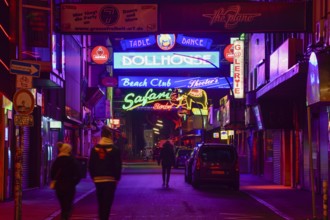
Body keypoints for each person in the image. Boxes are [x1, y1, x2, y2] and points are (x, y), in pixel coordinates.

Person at [89, 125, 122, 220]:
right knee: (107, 202)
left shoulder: (94, 149)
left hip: (98, 180)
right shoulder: (115, 149)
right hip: (110, 179)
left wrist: (93, 176)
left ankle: (101, 218)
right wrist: (117, 178)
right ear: (109, 136)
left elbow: (91, 165)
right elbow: (117, 165)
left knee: (100, 202)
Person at [50, 142, 82, 220]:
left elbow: (52, 173)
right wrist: (74, 183)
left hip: (59, 187)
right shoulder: (72, 160)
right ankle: (65, 217)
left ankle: (64, 216)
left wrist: (56, 182)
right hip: (69, 187)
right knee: (68, 205)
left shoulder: (57, 160)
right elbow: (78, 174)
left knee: (63, 204)